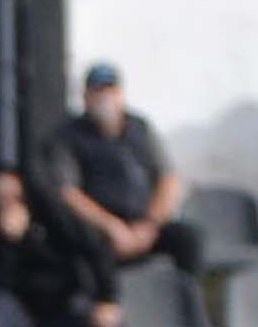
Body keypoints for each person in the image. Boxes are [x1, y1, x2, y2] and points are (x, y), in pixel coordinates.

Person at [43, 64, 202, 278]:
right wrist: (112, 227)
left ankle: (185, 303)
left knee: (188, 239)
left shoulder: (140, 128)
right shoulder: (68, 136)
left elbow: (169, 179)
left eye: (110, 90)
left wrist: (150, 225)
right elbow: (68, 193)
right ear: (86, 96)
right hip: (102, 227)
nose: (105, 98)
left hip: (145, 224)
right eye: (97, 91)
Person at [0, 169, 123, 327]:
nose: (7, 203)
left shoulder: (52, 215)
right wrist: (8, 242)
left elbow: (96, 247)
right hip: (18, 307)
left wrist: (107, 299)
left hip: (63, 303)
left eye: (13, 196)